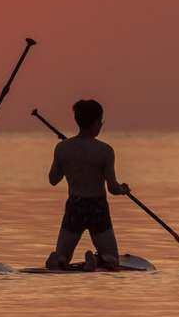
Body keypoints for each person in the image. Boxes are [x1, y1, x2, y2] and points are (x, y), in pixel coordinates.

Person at [45, 99, 130, 270]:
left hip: (75, 206)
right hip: (97, 207)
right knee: (113, 260)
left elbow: (53, 180)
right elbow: (112, 188)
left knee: (63, 256)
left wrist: (64, 158)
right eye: (101, 121)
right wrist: (123, 189)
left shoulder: (62, 148)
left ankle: (58, 260)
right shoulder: (105, 151)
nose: (101, 125)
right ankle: (99, 261)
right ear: (96, 122)